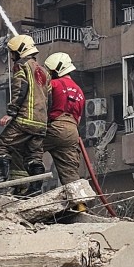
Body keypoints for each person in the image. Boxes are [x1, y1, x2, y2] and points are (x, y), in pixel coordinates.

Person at [0, 34, 51, 191]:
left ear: (19, 51)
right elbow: (47, 97)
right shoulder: (44, 71)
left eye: (12, 53)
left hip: (25, 119)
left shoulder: (21, 66)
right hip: (41, 123)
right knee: (34, 156)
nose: (11, 57)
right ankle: (35, 191)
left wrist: (11, 112)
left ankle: (0, 184)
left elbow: (20, 89)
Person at [43, 52, 85, 188]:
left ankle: (26, 193)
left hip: (55, 126)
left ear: (57, 70)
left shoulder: (53, 84)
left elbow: (41, 105)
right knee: (71, 175)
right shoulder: (80, 91)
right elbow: (78, 118)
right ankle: (80, 206)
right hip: (73, 132)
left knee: (28, 151)